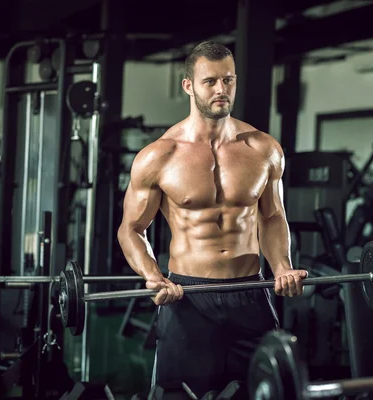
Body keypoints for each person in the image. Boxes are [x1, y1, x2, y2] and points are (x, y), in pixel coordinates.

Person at [117, 41, 308, 398]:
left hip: (251, 291)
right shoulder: (159, 156)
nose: (221, 90)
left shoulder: (264, 149)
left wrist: (282, 265)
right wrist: (153, 277)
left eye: (229, 80)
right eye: (210, 82)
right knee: (181, 394)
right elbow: (131, 229)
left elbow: (272, 216)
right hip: (187, 297)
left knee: (263, 391)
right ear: (188, 85)